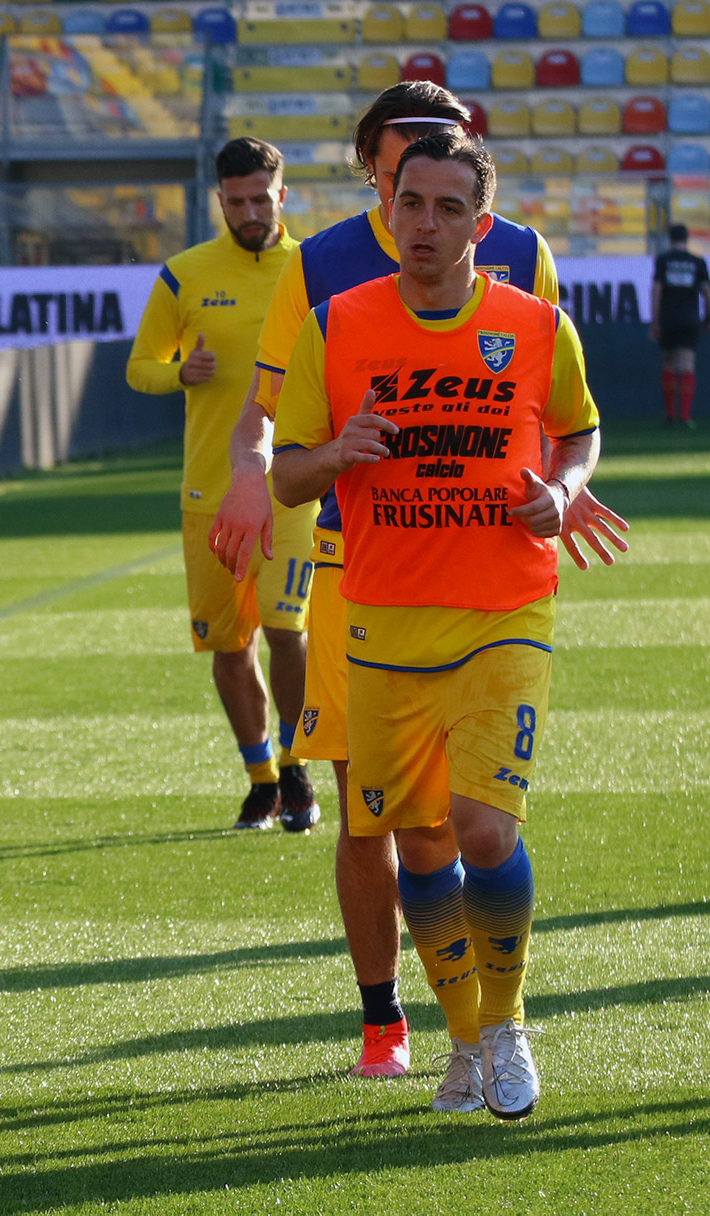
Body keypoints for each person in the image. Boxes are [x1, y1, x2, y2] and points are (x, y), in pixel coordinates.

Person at [208, 81, 626, 1081]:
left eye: (446, 192)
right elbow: (278, 428)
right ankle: (410, 1026)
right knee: (393, 823)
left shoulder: (526, 275)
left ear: (478, 211)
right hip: (370, 585)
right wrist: (254, 477)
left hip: (500, 590)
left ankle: (499, 1025)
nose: (423, 209)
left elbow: (560, 412)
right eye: (405, 184)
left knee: (480, 824)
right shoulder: (321, 283)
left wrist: (564, 488)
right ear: (375, 179)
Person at [127, 136, 319, 832]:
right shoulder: (183, 275)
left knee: (287, 632)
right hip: (208, 490)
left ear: (281, 195)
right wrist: (179, 372)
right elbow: (139, 365)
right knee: (227, 644)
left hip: (289, 486)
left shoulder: (311, 269)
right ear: (219, 200)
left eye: (258, 199)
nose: (247, 212)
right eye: (234, 201)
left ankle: (299, 767)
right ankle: (260, 776)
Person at [650, 223, 708, 428]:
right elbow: (707, 293)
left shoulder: (663, 260)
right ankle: (684, 416)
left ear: (670, 239)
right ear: (686, 239)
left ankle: (670, 415)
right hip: (689, 319)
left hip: (668, 318)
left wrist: (655, 320)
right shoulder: (697, 262)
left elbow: (656, 290)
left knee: (668, 362)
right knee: (686, 364)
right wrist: (707, 318)